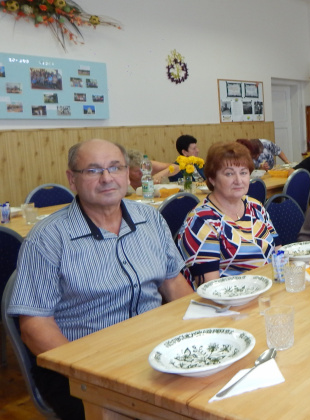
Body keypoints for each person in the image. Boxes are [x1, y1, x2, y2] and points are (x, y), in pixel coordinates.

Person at [8, 139, 194, 419]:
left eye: (115, 168)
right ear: (73, 179)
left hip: (154, 348)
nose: (107, 178)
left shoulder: (150, 219)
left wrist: (199, 331)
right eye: (93, 171)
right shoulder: (47, 238)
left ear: (127, 174)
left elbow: (173, 282)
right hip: (80, 364)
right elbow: (35, 327)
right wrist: (89, 373)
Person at [178, 141, 278, 288]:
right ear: (212, 178)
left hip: (267, 291)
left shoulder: (255, 206)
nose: (238, 180)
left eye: (243, 172)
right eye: (229, 173)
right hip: (229, 303)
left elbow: (278, 251)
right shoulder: (201, 221)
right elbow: (211, 288)